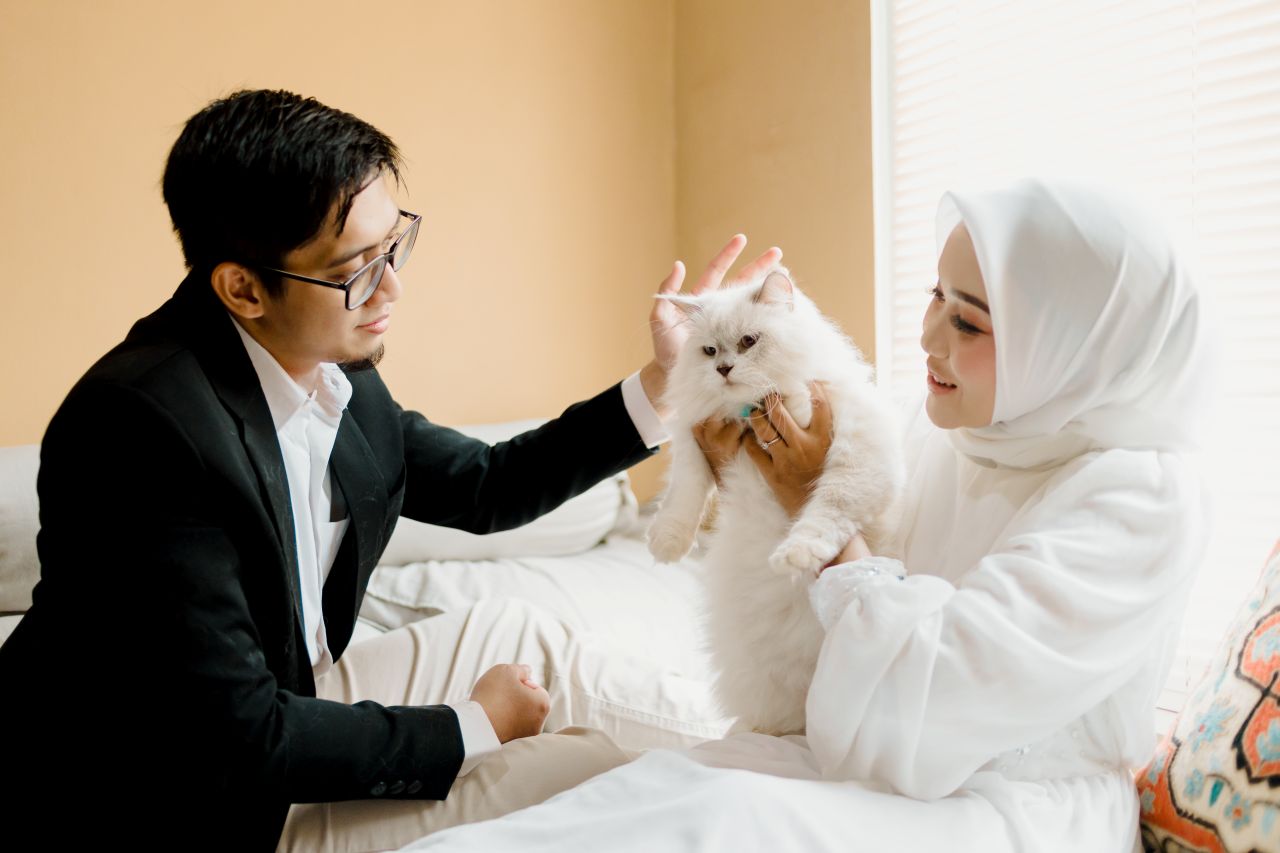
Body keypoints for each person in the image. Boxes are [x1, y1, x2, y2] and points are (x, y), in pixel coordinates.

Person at [0, 88, 775, 850]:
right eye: (356, 269)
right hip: (177, 801)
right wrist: (473, 726)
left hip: (277, 711)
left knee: (523, 634)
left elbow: (484, 485)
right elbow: (238, 737)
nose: (393, 287)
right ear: (243, 288)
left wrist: (669, 378)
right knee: (576, 768)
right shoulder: (139, 428)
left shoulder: (326, 362)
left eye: (392, 246)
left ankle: (772, 760)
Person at [400, 178, 1217, 852]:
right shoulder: (967, 429)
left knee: (710, 815)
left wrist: (816, 513)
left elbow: (935, 709)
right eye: (935, 296)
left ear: (1071, 349)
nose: (928, 334)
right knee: (619, 796)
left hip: (995, 807)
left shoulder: (1139, 497)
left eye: (967, 319)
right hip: (854, 750)